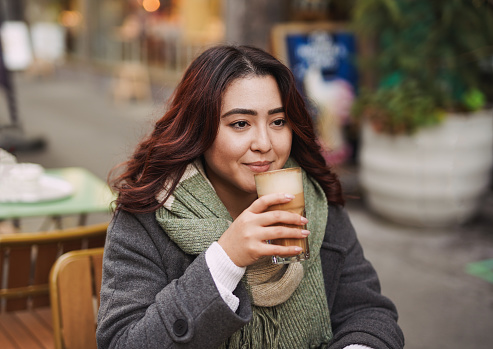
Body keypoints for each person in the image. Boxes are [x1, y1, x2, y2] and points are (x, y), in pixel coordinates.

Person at [96, 45, 404, 349]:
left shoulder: (313, 198)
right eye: (240, 124)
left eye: (278, 121)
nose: (264, 143)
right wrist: (226, 259)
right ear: (198, 129)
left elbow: (368, 312)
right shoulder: (148, 213)